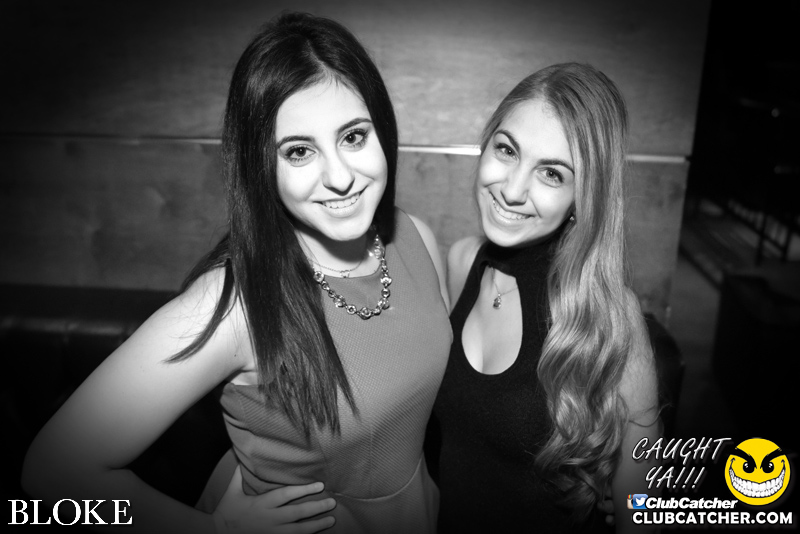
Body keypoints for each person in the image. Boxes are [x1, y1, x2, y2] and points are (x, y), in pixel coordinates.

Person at [22, 12, 451, 534]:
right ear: (259, 165)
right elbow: (49, 472)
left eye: (354, 137)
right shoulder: (234, 304)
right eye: (299, 151)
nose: (339, 177)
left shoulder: (416, 238)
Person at [429, 63, 660, 533]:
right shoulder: (460, 261)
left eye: (552, 173)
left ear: (583, 197)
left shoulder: (611, 315)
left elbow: (644, 511)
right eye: (507, 149)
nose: (512, 190)